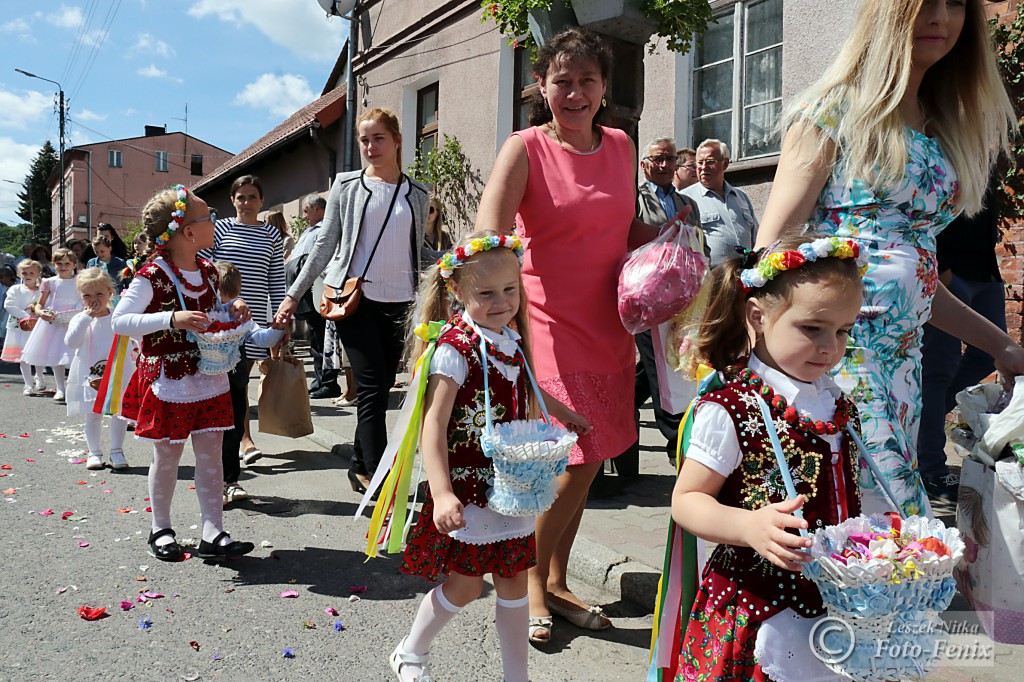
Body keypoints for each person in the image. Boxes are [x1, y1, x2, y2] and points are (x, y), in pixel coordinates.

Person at [755, 0, 1020, 517]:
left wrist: (1002, 346)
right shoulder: (832, 111)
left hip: (901, 374)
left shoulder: (941, 124)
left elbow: (911, 275)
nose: (942, 18)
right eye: (925, 3)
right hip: (834, 365)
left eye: (957, 4)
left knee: (874, 540)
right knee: (877, 530)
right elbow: (770, 257)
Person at [473, 27, 682, 641]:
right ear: (541, 86)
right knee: (569, 460)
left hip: (610, 326)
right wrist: (493, 312)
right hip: (547, 328)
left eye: (586, 80)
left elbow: (621, 232)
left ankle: (557, 578)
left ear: (603, 88)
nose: (574, 92)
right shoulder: (526, 147)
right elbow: (488, 234)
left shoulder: (620, 144)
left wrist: (674, 240)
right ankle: (529, 583)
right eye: (561, 80)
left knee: (593, 462)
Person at [388, 230, 589, 682]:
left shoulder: (510, 338)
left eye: (510, 290)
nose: (501, 302)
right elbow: (433, 426)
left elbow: (530, 388)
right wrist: (441, 493)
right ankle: (411, 651)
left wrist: (563, 413)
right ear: (457, 291)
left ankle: (515, 676)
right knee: (464, 585)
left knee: (515, 580)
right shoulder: (455, 350)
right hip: (469, 488)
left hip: (511, 487)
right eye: (486, 293)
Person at [669, 234, 865, 680]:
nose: (830, 347)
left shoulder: (837, 403)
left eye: (843, 331)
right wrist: (747, 525)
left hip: (829, 602)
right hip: (755, 604)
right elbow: (686, 500)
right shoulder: (732, 407)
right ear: (758, 316)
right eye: (813, 328)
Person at [274, 108, 431, 492]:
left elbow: (419, 250)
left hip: (402, 304)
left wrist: (463, 264)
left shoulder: (418, 193)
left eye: (378, 138)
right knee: (374, 389)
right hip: (355, 299)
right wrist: (293, 295)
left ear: (396, 140)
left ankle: (358, 465)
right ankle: (380, 479)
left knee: (379, 389)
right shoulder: (347, 186)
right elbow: (326, 245)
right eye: (364, 140)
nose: (370, 147)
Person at [112, 184, 254, 562]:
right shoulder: (151, 275)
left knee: (210, 456)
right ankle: (160, 528)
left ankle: (213, 530)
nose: (215, 221)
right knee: (169, 456)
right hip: (170, 381)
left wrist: (233, 307)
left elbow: (214, 310)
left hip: (209, 376)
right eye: (208, 216)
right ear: (189, 232)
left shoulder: (207, 270)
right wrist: (171, 318)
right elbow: (120, 321)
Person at [918, 173, 1006, 501]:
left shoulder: (981, 156)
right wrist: (942, 270)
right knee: (939, 370)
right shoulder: (942, 146)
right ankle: (932, 469)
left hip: (986, 273)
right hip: (949, 274)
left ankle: (920, 416)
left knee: (989, 353)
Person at [631, 136, 702, 472]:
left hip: (683, 298)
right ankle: (676, 442)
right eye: (657, 159)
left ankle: (623, 408)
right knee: (660, 368)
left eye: (669, 159)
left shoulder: (689, 202)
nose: (663, 165)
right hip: (648, 297)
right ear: (645, 164)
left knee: (663, 365)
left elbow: (699, 244)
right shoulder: (635, 199)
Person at [206, 174, 285, 466]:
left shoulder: (271, 235)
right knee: (229, 384)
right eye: (241, 197)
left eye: (252, 197)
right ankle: (240, 440)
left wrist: (280, 318)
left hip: (254, 322)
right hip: (221, 320)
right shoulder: (221, 229)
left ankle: (241, 438)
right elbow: (205, 272)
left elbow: (277, 280)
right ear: (232, 200)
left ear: (262, 201)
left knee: (241, 382)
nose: (247, 202)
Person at [214, 261, 285, 505]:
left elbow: (261, 338)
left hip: (234, 383)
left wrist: (277, 327)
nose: (225, 303)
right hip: (210, 387)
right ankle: (216, 484)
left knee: (233, 433)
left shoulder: (240, 316)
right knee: (214, 437)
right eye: (222, 296)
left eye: (232, 296)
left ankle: (230, 482)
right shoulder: (206, 313)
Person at [64, 267, 131, 471]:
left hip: (118, 370)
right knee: (92, 413)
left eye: (99, 294)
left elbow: (132, 336)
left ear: (110, 293)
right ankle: (94, 452)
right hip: (90, 372)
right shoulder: (80, 319)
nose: (94, 299)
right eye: (87, 295)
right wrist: (86, 319)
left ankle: (117, 450)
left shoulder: (118, 316)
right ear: (81, 297)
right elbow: (71, 342)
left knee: (118, 411)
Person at [286, 194, 340, 399]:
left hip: (318, 291)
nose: (304, 215)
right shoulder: (310, 230)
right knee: (315, 340)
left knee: (323, 339)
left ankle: (328, 383)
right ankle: (320, 380)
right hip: (307, 293)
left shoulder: (326, 230)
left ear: (319, 209)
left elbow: (324, 262)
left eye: (306, 210)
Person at [682, 139, 760, 267]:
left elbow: (755, 237)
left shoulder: (741, 197)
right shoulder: (686, 198)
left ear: (725, 164)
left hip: (746, 275)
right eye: (700, 163)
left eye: (710, 162)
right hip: (711, 278)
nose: (704, 167)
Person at [22, 247, 81, 403]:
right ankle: (60, 387)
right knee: (57, 355)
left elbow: (85, 298)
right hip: (54, 321)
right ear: (54, 265)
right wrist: (41, 313)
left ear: (74, 265)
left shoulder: (80, 281)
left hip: (75, 319)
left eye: (67, 264)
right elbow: (39, 304)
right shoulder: (49, 282)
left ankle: (74, 386)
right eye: (59, 263)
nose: (63, 267)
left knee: (76, 355)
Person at [2, 260, 44, 393]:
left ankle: (40, 377)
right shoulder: (15, 289)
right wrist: (24, 315)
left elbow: (45, 305)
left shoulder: (42, 291)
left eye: (32, 273)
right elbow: (8, 305)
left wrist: (36, 311)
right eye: (24, 273)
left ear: (38, 274)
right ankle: (28, 384)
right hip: (19, 328)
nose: (28, 275)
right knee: (23, 356)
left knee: (37, 353)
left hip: (37, 327)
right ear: (20, 274)